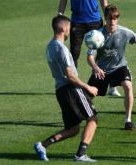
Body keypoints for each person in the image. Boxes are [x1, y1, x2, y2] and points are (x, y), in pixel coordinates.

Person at [34, 15, 98, 162]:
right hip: (71, 89)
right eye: (69, 29)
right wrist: (87, 87)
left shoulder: (50, 46)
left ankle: (43, 145)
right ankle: (81, 154)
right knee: (93, 118)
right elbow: (70, 75)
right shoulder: (61, 49)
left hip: (60, 90)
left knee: (74, 128)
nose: (70, 31)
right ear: (63, 28)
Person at [57, 0, 121, 97]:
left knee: (106, 53)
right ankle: (74, 84)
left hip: (95, 21)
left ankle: (112, 86)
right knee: (74, 54)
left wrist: (107, 17)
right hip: (77, 23)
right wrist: (59, 15)